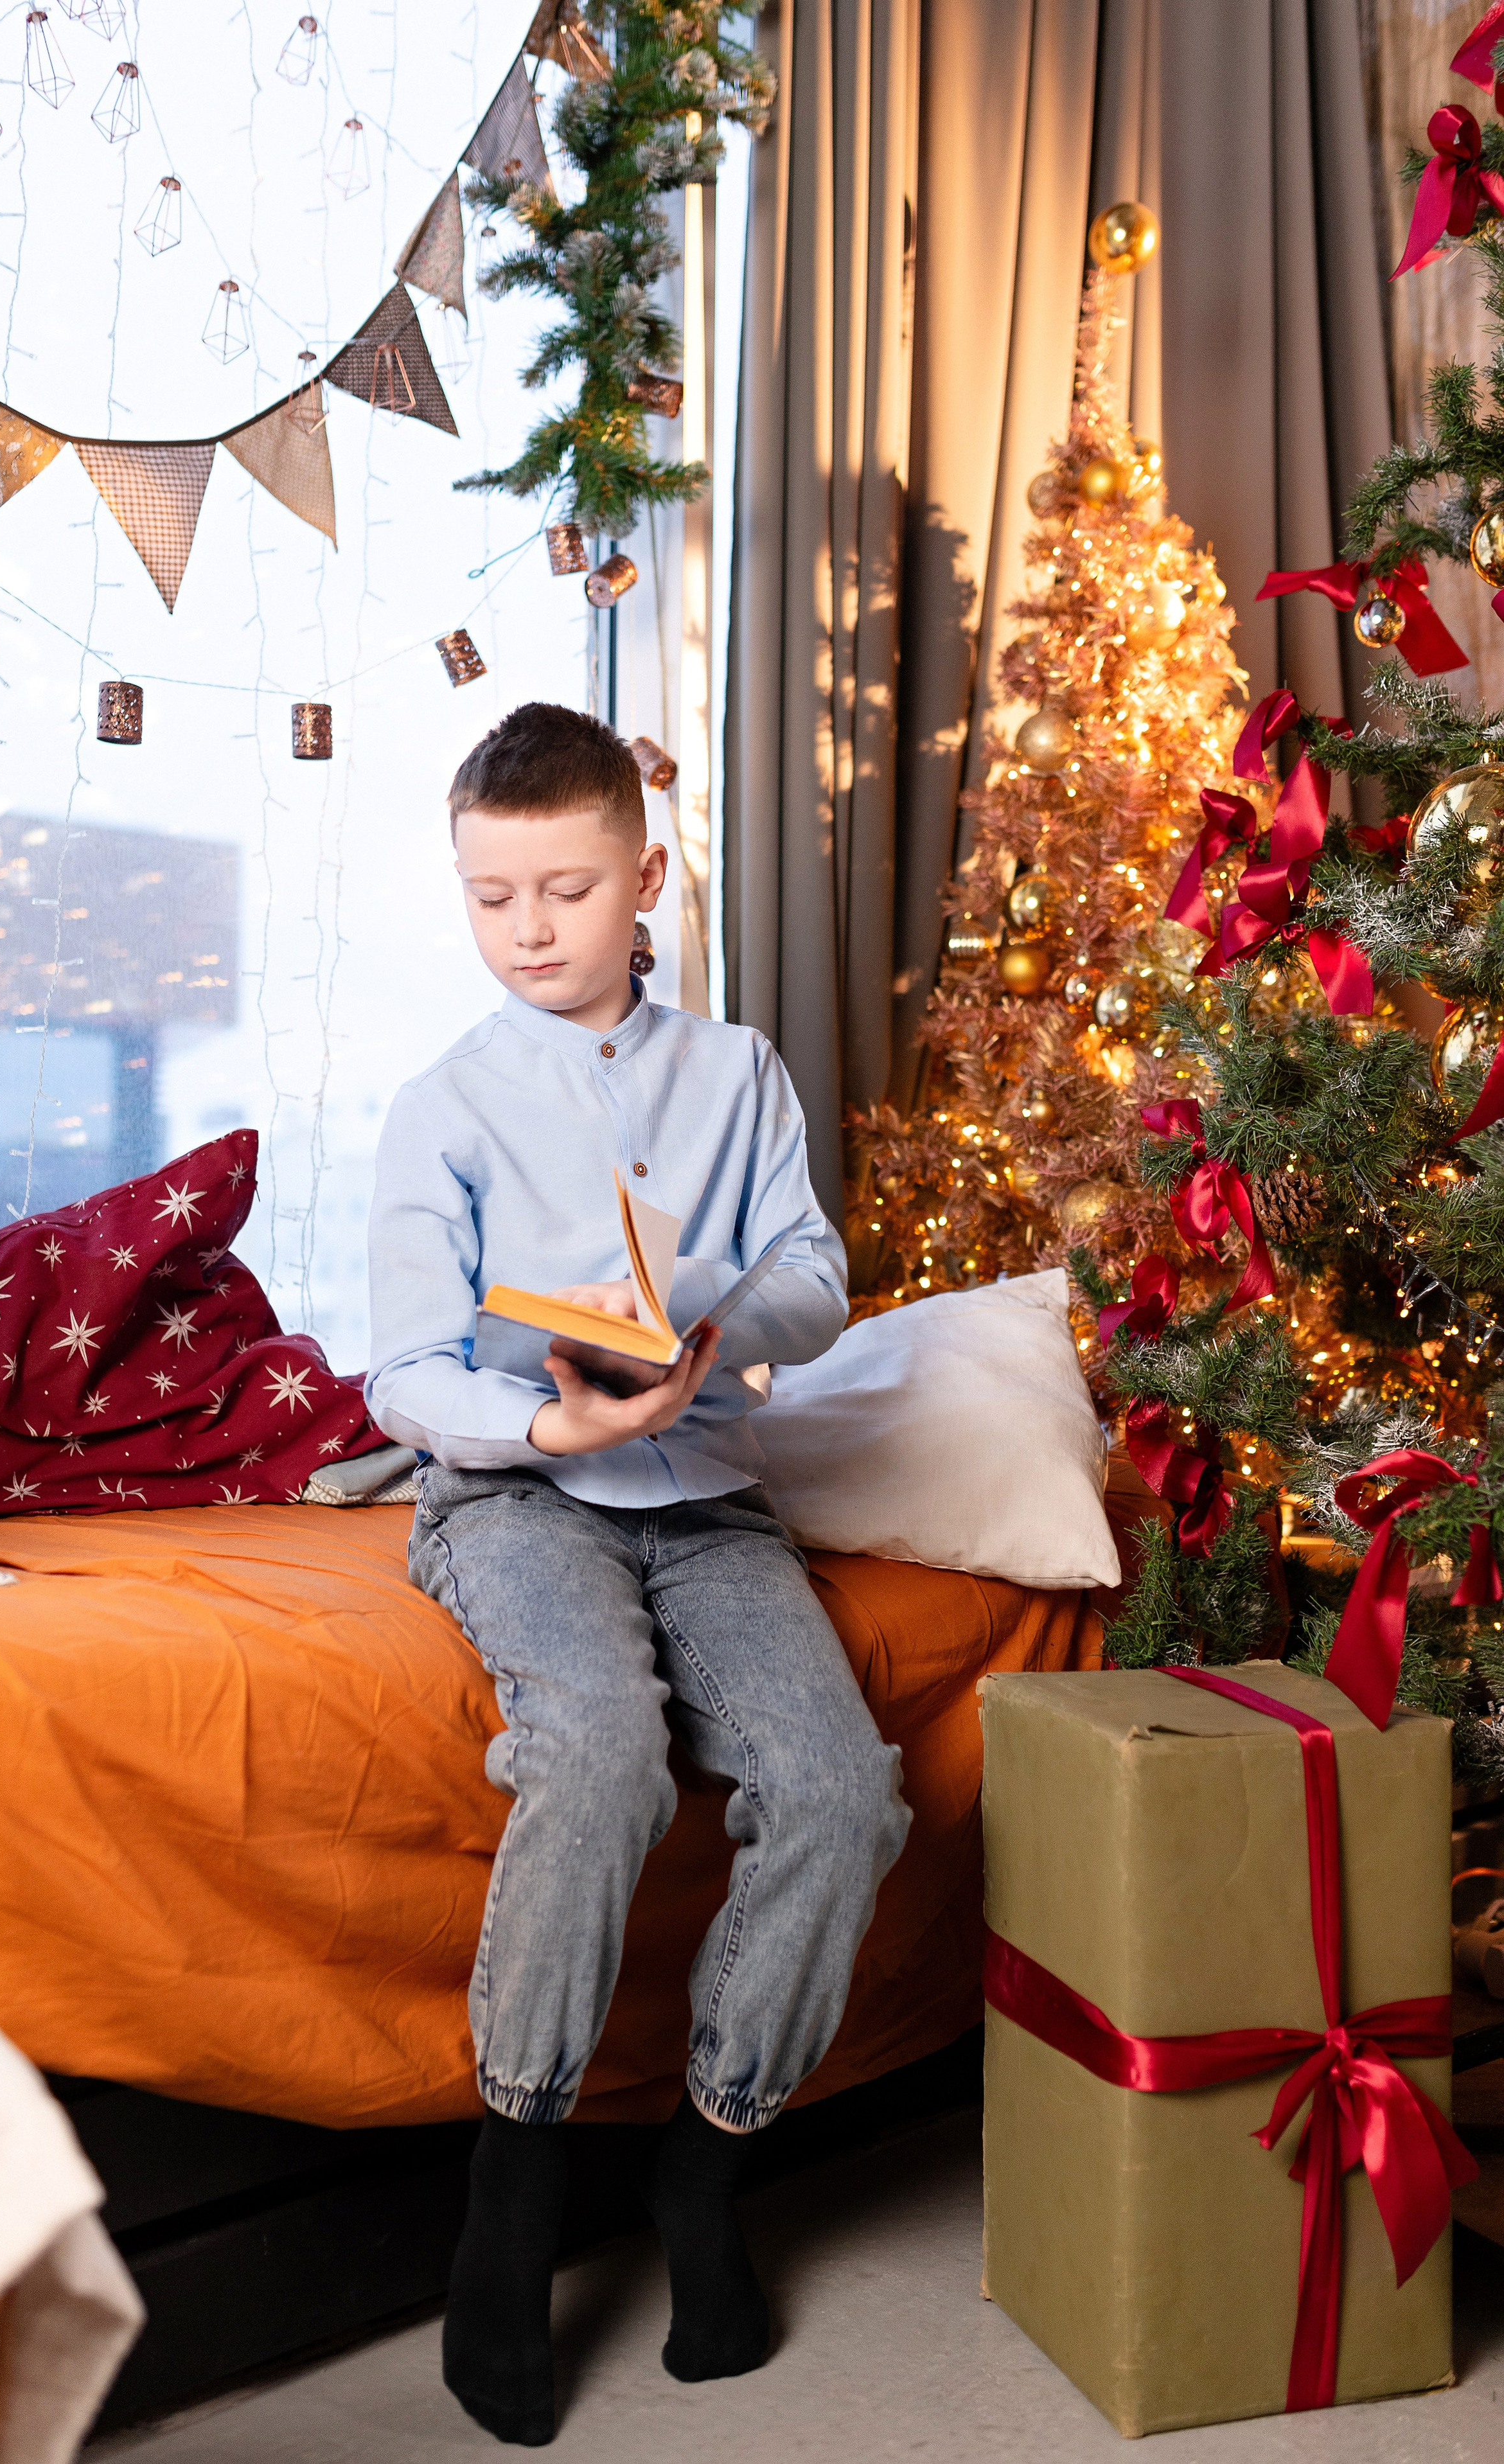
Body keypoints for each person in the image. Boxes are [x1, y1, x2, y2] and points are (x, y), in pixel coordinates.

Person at [366, 703, 910, 2447]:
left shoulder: (736, 1073)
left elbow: (816, 1278)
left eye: (568, 887)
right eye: (493, 896)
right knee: (596, 1748)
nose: (531, 927)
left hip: (709, 1495)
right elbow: (403, 1373)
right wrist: (544, 1430)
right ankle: (509, 2196)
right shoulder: (441, 1105)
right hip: (517, 1495)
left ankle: (708, 2161)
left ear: (647, 876)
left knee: (840, 1788)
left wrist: (708, 1326)